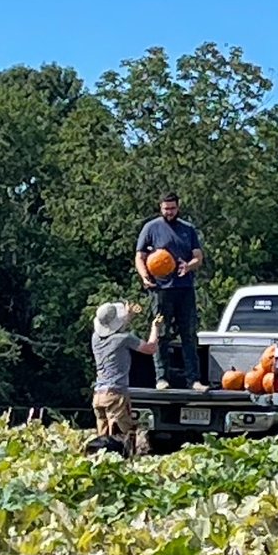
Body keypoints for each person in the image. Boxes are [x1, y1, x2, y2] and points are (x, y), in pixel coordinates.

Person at [134, 191, 206, 389]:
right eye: (166, 209)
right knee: (161, 333)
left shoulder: (188, 229)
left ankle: (194, 380)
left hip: (184, 288)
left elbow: (198, 257)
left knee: (188, 334)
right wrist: (144, 277)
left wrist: (188, 266)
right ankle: (161, 378)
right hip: (160, 289)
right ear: (161, 208)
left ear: (178, 207)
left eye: (173, 208)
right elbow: (139, 257)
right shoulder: (151, 228)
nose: (170, 212)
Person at [89, 301, 148, 455]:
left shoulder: (95, 338)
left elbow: (114, 333)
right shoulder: (124, 339)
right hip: (115, 394)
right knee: (125, 435)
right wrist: (155, 328)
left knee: (104, 439)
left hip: (98, 395)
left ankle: (103, 465)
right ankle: (127, 462)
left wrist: (129, 316)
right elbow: (150, 348)